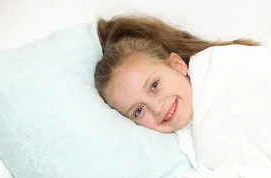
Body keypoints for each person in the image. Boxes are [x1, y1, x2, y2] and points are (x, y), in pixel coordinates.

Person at [94, 15, 259, 133]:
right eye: (138, 110)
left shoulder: (229, 65)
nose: (157, 108)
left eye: (154, 85)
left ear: (177, 65)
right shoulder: (183, 146)